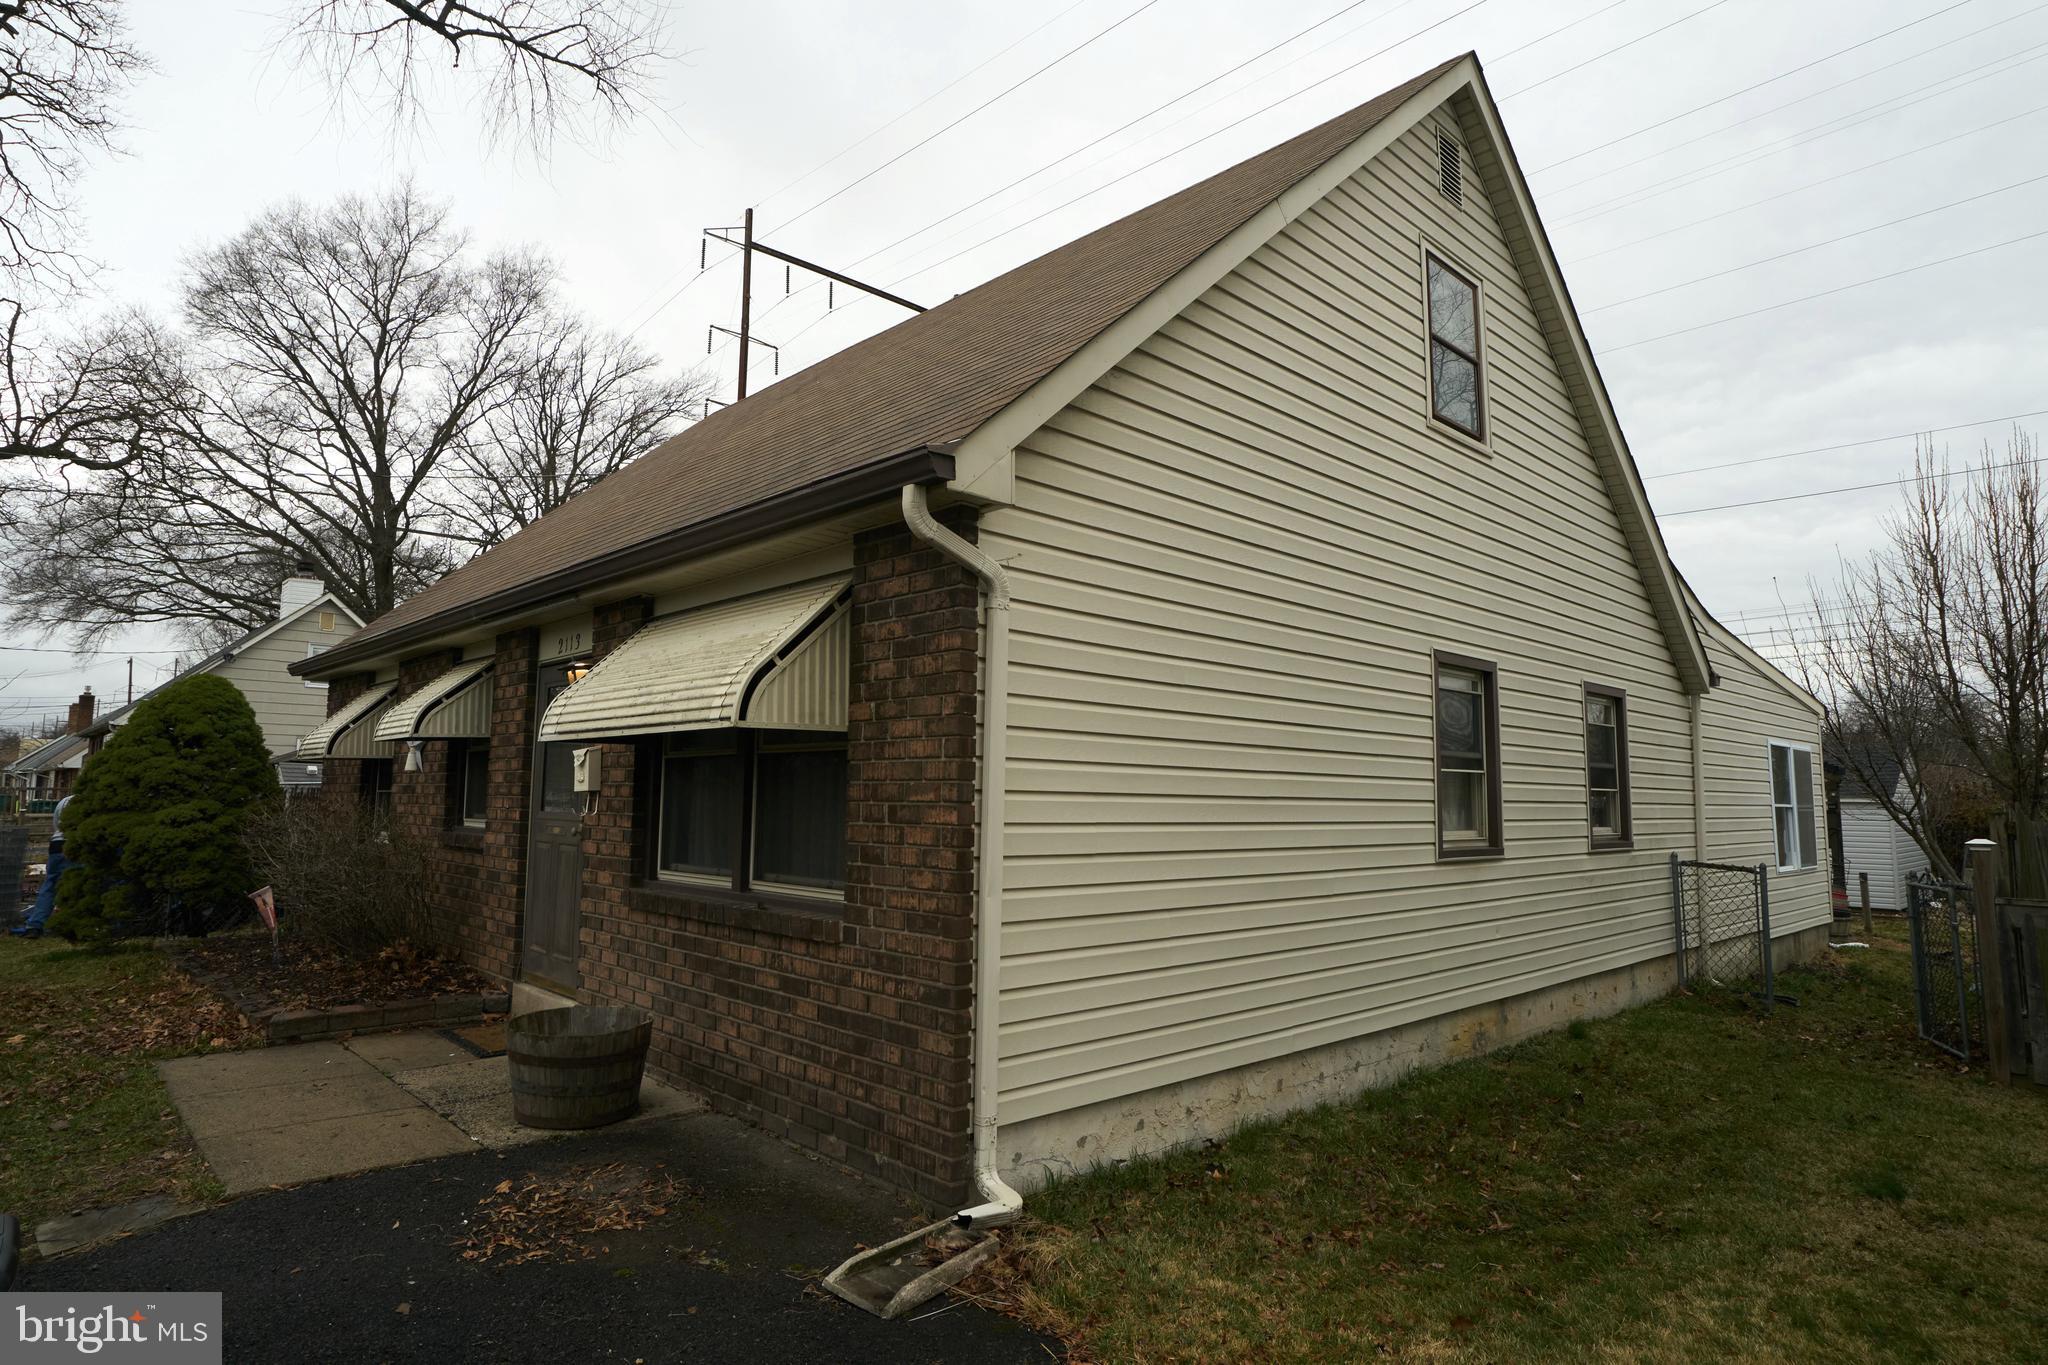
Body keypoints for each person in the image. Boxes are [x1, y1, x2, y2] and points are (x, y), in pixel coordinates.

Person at [13, 793, 72, 939]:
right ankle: (72, 923)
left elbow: (56, 823)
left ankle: (35, 925)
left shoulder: (65, 801)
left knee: (50, 885)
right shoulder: (90, 802)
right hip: (78, 843)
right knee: (78, 883)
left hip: (57, 843)